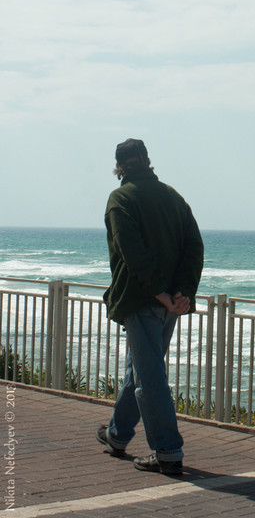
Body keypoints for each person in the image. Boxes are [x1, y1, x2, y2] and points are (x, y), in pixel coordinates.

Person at [96, 138, 204, 475]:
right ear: (147, 161)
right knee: (140, 369)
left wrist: (159, 293)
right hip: (171, 304)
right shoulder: (174, 198)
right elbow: (193, 248)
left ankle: (168, 452)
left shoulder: (120, 199)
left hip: (144, 300)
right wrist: (181, 294)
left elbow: (134, 255)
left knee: (149, 377)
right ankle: (117, 436)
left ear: (119, 166)